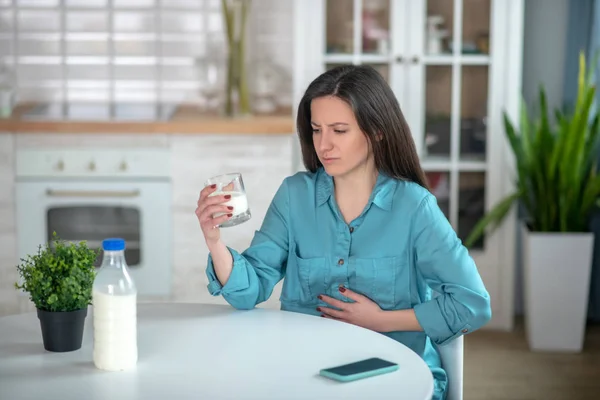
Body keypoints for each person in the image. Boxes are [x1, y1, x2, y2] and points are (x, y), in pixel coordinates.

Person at [195, 64, 491, 400]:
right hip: (305, 372)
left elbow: (472, 304)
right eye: (317, 129)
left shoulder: (414, 206)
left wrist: (383, 320)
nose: (324, 145)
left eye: (339, 130)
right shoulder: (295, 196)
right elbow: (249, 290)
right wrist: (214, 239)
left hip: (394, 373)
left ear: (377, 130)